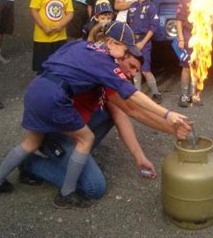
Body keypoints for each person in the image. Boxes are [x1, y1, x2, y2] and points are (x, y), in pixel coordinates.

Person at [0, 21, 188, 209]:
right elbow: (133, 99)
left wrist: (143, 153)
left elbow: (127, 112)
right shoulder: (105, 63)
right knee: (90, 165)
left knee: (31, 141)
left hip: (37, 88)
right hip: (56, 99)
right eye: (126, 54)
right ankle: (62, 192)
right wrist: (167, 113)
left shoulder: (79, 46)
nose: (129, 63)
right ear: (111, 43)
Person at [20, 51, 191, 199]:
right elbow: (134, 110)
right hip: (56, 131)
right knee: (94, 188)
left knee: (112, 111)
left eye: (136, 71)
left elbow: (125, 113)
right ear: (121, 55)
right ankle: (30, 163)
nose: (132, 74)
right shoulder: (99, 67)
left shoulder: (111, 77)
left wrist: (139, 157)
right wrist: (170, 123)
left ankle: (78, 156)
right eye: (131, 66)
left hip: (76, 130)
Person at [30, 0, 74, 74]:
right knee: (42, 67)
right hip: (42, 38)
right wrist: (44, 27)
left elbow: (70, 13)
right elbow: (33, 10)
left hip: (60, 38)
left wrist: (60, 25)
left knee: (58, 66)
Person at [127, 0, 163, 103]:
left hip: (144, 40)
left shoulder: (151, 7)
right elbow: (128, 24)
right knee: (135, 69)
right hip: (133, 41)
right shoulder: (132, 6)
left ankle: (156, 93)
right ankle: (137, 94)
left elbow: (153, 27)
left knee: (145, 69)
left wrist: (143, 43)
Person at [175, 0, 204, 107]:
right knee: (187, 67)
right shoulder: (185, 1)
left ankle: (195, 96)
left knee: (198, 68)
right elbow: (179, 21)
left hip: (202, 39)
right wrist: (181, 38)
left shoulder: (207, 1)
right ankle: (184, 95)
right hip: (188, 38)